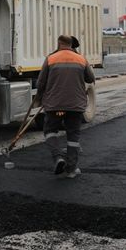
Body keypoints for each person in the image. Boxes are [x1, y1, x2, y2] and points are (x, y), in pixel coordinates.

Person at [36, 35, 95, 178]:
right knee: (73, 136)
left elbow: (40, 83)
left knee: (50, 131)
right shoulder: (81, 59)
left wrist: (40, 96)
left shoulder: (51, 58)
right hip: (75, 106)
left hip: (54, 105)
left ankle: (58, 158)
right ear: (71, 45)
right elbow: (90, 78)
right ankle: (71, 169)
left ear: (59, 43)